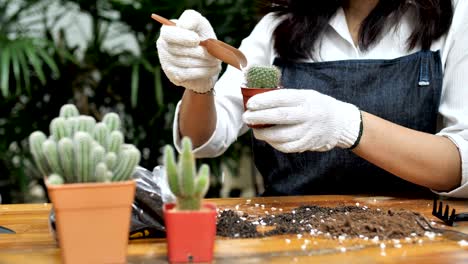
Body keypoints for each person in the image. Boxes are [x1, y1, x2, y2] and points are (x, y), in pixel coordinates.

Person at [156, 0, 468, 198]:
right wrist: (199, 84)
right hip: (285, 229)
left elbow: (460, 164)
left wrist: (347, 126)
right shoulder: (277, 28)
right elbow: (204, 140)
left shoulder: (454, 17)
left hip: (414, 233)